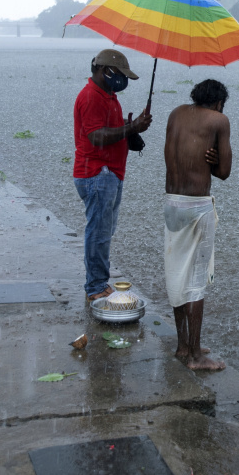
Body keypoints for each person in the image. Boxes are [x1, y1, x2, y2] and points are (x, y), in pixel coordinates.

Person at [162, 78, 232, 371]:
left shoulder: (176, 113)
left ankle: (182, 346)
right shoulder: (219, 120)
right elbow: (225, 172)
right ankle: (195, 357)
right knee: (196, 280)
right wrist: (216, 159)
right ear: (218, 103)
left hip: (172, 203)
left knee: (177, 273)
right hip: (196, 206)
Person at [73, 48, 152, 303]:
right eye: (119, 74)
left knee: (105, 231)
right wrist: (130, 127)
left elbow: (109, 132)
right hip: (97, 172)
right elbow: (96, 137)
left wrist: (131, 133)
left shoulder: (109, 96)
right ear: (103, 70)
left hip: (109, 173)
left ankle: (98, 282)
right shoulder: (91, 97)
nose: (122, 80)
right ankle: (95, 287)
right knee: (98, 232)